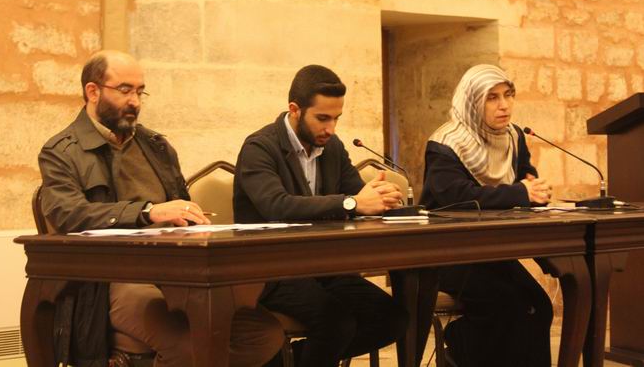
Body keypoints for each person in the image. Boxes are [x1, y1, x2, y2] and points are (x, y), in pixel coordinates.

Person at [38, 50, 284, 367]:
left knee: (264, 334)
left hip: (178, 272)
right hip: (111, 281)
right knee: (190, 345)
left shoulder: (156, 146)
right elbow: (69, 214)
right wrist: (147, 211)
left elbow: (180, 206)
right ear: (93, 91)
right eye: (124, 90)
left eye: (140, 91)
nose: (135, 101)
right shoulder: (61, 151)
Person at [233, 65, 408, 367]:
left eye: (337, 118)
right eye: (323, 118)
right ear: (295, 110)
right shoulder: (259, 147)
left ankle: (292, 361)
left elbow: (357, 193)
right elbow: (277, 206)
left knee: (392, 318)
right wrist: (353, 203)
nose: (331, 128)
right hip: (270, 270)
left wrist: (381, 196)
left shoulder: (332, 147)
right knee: (336, 322)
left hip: (321, 265)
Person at [420, 64, 553, 367]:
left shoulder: (514, 136)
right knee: (507, 307)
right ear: (472, 101)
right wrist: (521, 193)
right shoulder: (446, 143)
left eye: (508, 94)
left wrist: (537, 189)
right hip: (445, 252)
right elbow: (457, 198)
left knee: (539, 307)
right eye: (492, 97)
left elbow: (524, 178)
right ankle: (458, 346)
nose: (504, 105)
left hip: (492, 250)